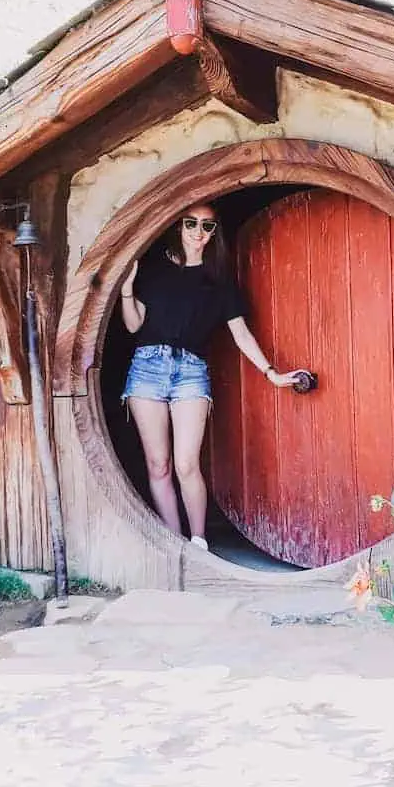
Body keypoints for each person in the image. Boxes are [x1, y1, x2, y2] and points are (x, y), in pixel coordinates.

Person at [119, 203, 308, 551]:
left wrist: (271, 373)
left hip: (191, 372)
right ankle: (175, 545)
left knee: (186, 464)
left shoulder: (219, 281)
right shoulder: (154, 270)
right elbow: (133, 325)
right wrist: (126, 289)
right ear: (178, 226)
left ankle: (198, 543)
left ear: (214, 233)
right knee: (158, 465)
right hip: (147, 369)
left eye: (207, 226)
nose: (198, 232)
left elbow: (242, 335)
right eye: (191, 223)